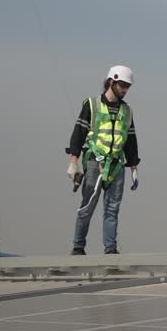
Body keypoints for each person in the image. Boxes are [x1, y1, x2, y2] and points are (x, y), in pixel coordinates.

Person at [66, 64, 140, 255]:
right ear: (111, 81)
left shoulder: (127, 111)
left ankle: (110, 250)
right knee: (88, 205)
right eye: (122, 85)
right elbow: (78, 133)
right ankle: (78, 247)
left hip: (116, 165)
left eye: (127, 86)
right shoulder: (92, 105)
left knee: (112, 210)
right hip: (94, 162)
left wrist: (133, 167)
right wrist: (73, 162)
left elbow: (131, 140)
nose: (125, 90)